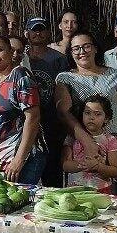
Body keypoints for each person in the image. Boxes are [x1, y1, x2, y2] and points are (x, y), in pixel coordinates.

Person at [54, 31, 117, 193]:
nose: (82, 52)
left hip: (113, 141)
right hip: (79, 141)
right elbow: (63, 113)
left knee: (112, 192)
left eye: (86, 46)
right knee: (80, 192)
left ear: (95, 48)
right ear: (71, 53)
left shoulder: (115, 75)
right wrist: (87, 141)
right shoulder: (65, 78)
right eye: (76, 48)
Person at [0, 36, 46, 184]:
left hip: (24, 158)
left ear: (10, 52)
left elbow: (33, 117)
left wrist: (19, 159)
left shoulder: (20, 75)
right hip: (5, 158)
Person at [25, 17, 70, 187]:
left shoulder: (59, 59)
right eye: (34, 29)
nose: (38, 33)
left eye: (41, 29)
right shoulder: (21, 57)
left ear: (49, 33)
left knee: (52, 175)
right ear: (26, 33)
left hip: (52, 124)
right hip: (26, 123)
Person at [62, 95, 117, 193]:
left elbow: (116, 171)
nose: (91, 117)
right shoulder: (72, 137)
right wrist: (85, 164)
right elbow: (65, 165)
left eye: (98, 114)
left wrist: (98, 166)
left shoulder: (110, 141)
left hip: (100, 191)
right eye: (87, 113)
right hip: (75, 190)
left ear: (106, 118)